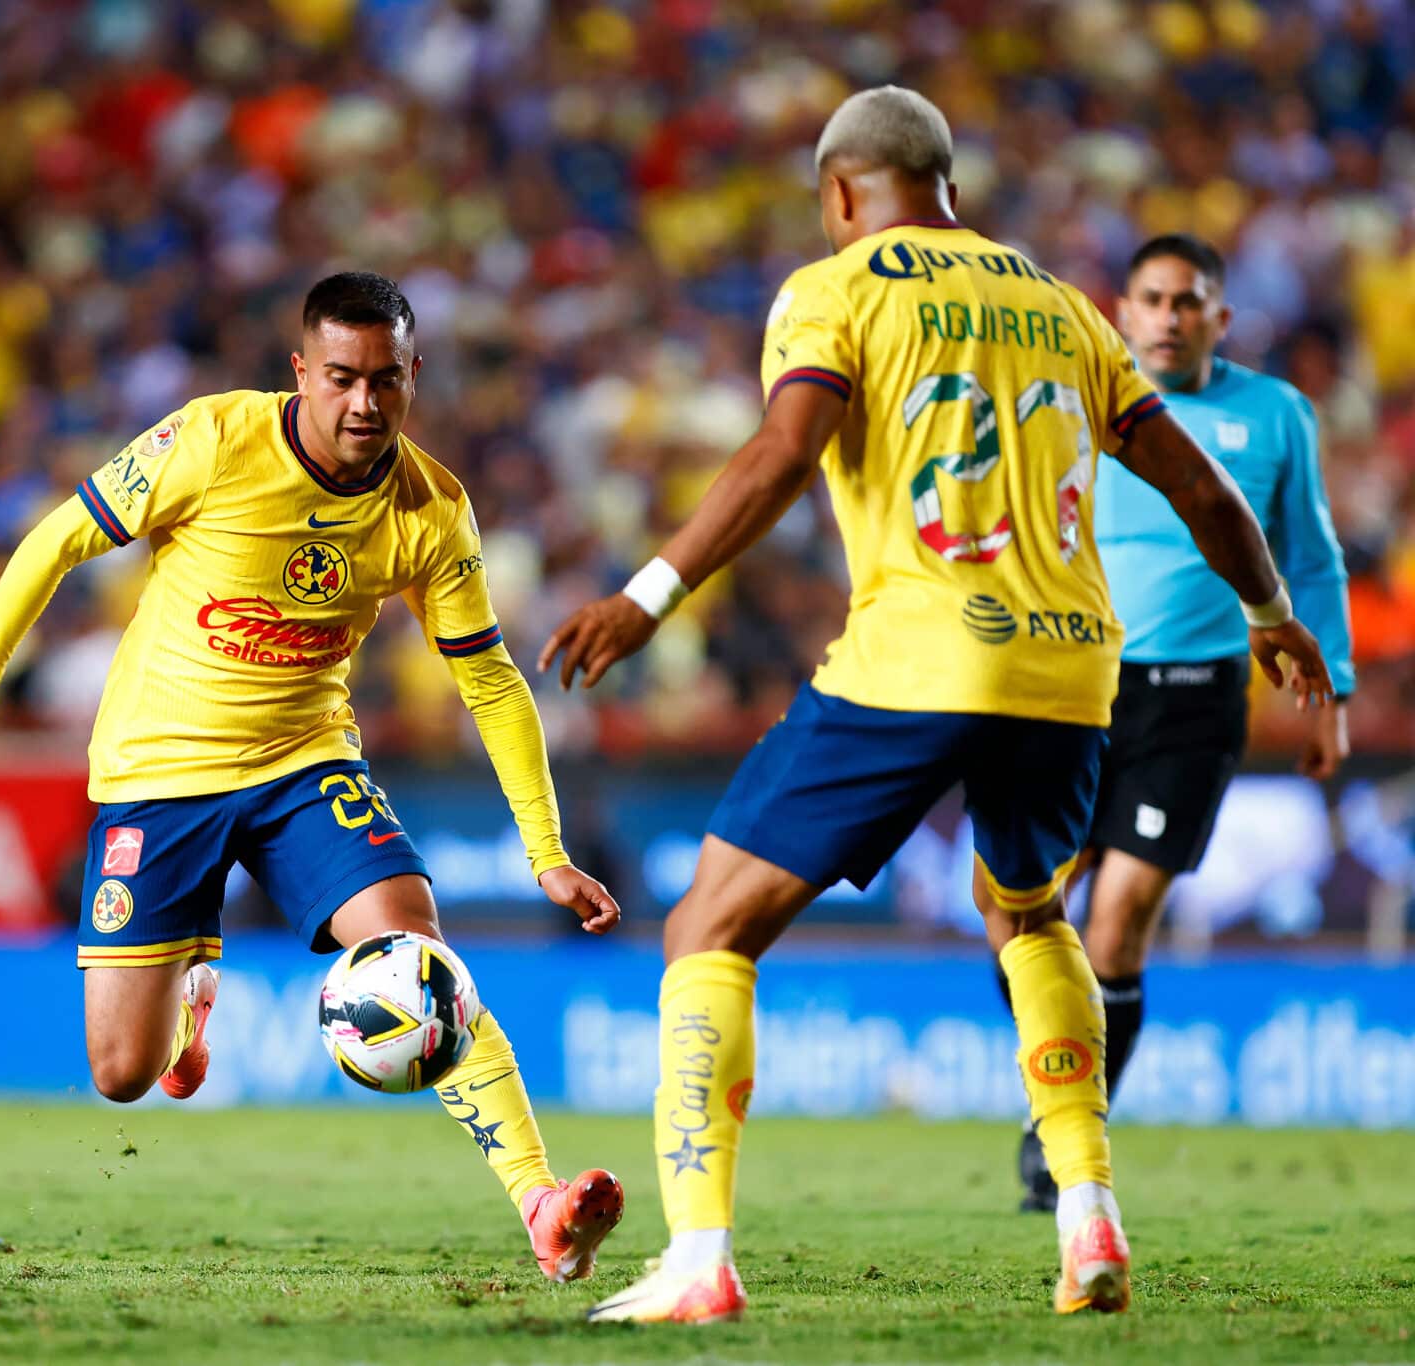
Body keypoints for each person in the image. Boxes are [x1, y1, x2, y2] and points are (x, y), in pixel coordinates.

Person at [539, 87, 1335, 1324]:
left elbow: (780, 453)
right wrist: (1273, 615)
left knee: (706, 925)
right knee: (1028, 915)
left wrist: (649, 594)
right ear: (945, 182)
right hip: (1074, 669)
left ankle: (697, 1258)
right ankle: (1085, 1219)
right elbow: (1203, 488)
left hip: (920, 658)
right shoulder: (1066, 308)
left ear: (842, 192)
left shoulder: (834, 287)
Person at [0, 271, 628, 1284]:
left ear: (413, 376)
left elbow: (493, 684)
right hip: (160, 767)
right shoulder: (209, 440)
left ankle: (539, 1203)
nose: (364, 405)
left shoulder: (430, 508)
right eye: (340, 378)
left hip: (305, 761)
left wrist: (545, 854)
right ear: (300, 371)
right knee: (122, 1073)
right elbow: (55, 540)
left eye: (386, 381)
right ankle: (190, 1000)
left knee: (414, 950)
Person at [1002, 234, 1355, 1211]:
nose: (1166, 316)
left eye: (1185, 301)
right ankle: (1056, 1082)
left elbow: (1312, 561)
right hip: (1069, 684)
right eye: (1150, 299)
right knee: (1023, 912)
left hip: (1194, 698)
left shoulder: (1273, 415)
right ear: (1121, 311)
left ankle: (1059, 1133)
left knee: (1114, 926)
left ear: (1219, 318)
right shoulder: (1072, 399)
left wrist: (1331, 696)